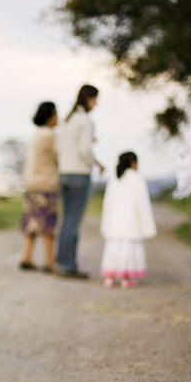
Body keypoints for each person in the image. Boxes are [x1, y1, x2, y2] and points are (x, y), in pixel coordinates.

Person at [55, 84, 106, 278]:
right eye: (95, 99)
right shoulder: (86, 121)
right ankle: (68, 265)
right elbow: (85, 150)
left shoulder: (68, 120)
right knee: (73, 221)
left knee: (66, 219)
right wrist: (97, 164)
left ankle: (62, 262)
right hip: (79, 173)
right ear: (89, 99)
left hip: (64, 172)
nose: (96, 104)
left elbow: (61, 147)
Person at [100, 152, 157, 288]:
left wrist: (106, 222)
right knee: (128, 250)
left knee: (114, 249)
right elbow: (143, 204)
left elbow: (107, 202)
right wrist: (146, 225)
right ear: (133, 163)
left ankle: (110, 277)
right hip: (131, 224)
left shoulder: (114, 180)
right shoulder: (137, 179)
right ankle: (126, 279)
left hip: (114, 223)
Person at [19, 101, 59, 272]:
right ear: (50, 116)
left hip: (31, 184)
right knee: (47, 224)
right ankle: (50, 261)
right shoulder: (50, 136)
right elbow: (59, 157)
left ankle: (26, 256)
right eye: (56, 114)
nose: (58, 118)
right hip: (46, 184)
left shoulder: (35, 135)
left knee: (32, 222)